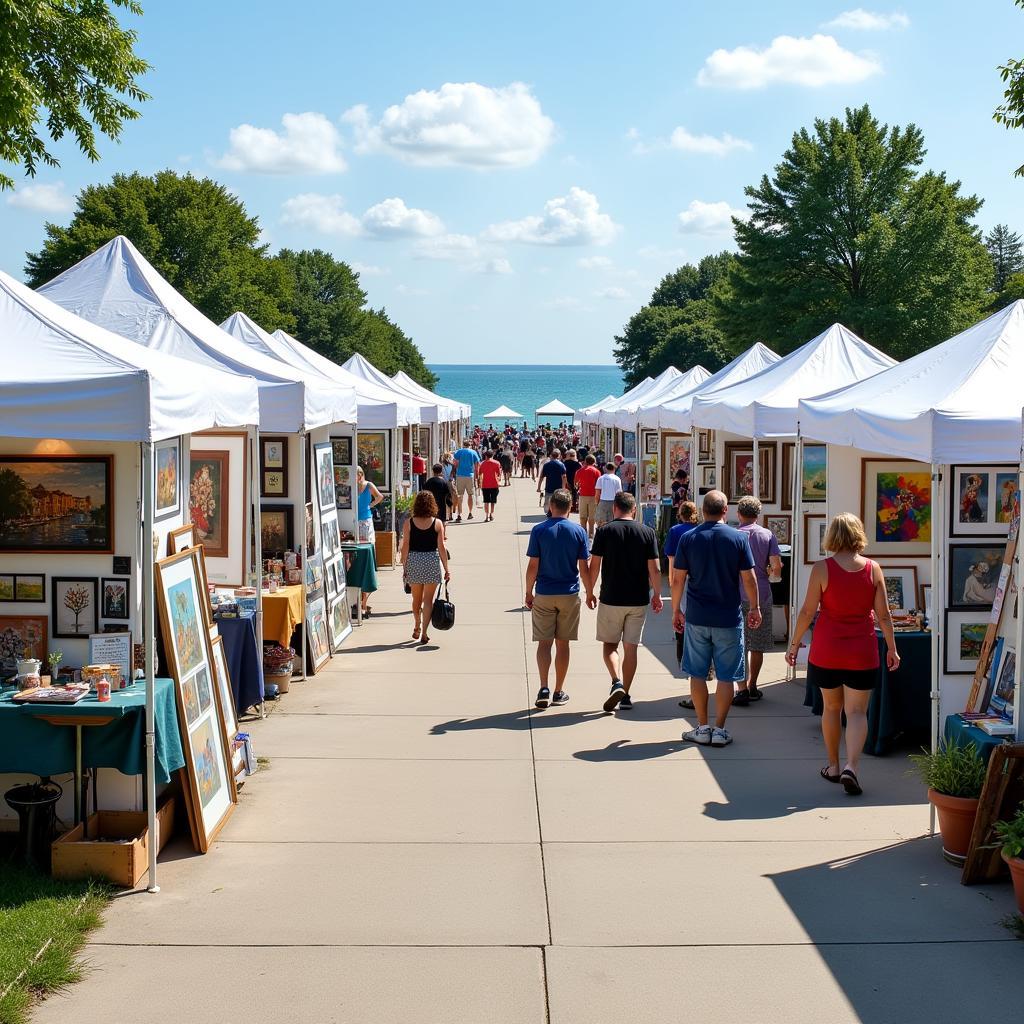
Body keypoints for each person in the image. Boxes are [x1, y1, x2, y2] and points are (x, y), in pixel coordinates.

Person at [786, 513, 899, 796]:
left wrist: (794, 644)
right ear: (858, 534)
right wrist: (893, 648)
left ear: (832, 536)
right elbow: (884, 616)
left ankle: (834, 766)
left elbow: (808, 611)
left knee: (831, 708)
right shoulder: (873, 569)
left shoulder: (822, 568)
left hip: (827, 650)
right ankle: (852, 766)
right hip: (862, 650)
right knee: (858, 711)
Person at [671, 491, 761, 748]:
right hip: (728, 617)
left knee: (697, 674)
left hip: (698, 616)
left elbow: (678, 579)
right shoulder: (738, 538)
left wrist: (676, 609)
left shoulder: (688, 538)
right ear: (725, 511)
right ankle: (719, 729)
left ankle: (701, 726)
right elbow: (749, 579)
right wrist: (754, 608)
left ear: (703, 510)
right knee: (726, 676)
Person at [587, 491, 663, 711]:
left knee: (610, 645)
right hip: (637, 598)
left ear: (614, 509)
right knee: (631, 648)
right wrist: (657, 594)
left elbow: (595, 565)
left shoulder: (604, 531)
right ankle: (626, 695)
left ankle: (616, 681)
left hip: (611, 597)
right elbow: (655, 569)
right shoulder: (647, 532)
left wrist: (590, 590)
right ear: (634, 509)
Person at [525, 489, 591, 708]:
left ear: (551, 506)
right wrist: (590, 591)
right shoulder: (579, 532)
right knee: (563, 645)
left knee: (544, 643)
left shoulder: (539, 530)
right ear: (571, 507)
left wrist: (528, 591)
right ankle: (558, 690)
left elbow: (532, 565)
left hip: (544, 592)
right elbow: (584, 567)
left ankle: (543, 686)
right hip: (569, 592)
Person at [732, 496, 783, 706]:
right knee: (757, 643)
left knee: (738, 642)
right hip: (762, 593)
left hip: (737, 593)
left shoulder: (734, 535)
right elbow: (776, 566)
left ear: (739, 514)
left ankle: (741, 687)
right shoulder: (767, 534)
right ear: (758, 514)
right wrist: (771, 575)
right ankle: (753, 685)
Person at [400, 491, 450, 646]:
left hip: (414, 560)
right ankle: (425, 633)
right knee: (428, 600)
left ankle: (416, 625)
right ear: (432, 505)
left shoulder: (409, 522)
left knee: (416, 599)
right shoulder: (437, 523)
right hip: (431, 561)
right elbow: (441, 548)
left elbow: (405, 546)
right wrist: (447, 569)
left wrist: (404, 565)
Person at [664, 500, 699, 678]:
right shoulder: (700, 529)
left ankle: (680, 634)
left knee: (680, 610)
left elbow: (671, 558)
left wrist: (671, 580)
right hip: (696, 576)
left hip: (680, 575)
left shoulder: (675, 531)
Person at [452, 439, 480, 522]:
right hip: (470, 476)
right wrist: (476, 476)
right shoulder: (473, 452)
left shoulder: (458, 452)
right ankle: (470, 513)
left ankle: (459, 514)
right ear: (470, 445)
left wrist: (455, 470)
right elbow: (476, 465)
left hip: (460, 475)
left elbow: (455, 464)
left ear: (463, 444)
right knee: (470, 495)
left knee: (460, 495)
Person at [575, 454, 601, 539]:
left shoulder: (580, 471)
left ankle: (583, 533)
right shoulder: (597, 471)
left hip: (583, 495)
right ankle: (591, 534)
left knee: (583, 516)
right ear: (594, 462)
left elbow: (576, 484)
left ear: (585, 461)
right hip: (593, 495)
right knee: (592, 517)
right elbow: (599, 485)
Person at [537, 447, 568, 514]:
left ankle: (548, 512)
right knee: (558, 501)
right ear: (558, 456)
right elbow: (564, 477)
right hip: (558, 487)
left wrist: (539, 487)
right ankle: (555, 512)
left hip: (549, 487)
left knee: (548, 501)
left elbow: (541, 477)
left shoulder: (546, 465)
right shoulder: (561, 465)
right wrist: (564, 487)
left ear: (551, 456)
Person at [477, 449, 503, 523]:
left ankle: (486, 516)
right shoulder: (496, 463)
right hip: (494, 484)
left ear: (485, 455)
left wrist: (479, 483)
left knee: (486, 501)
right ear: (493, 455)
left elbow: (480, 474)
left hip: (485, 485)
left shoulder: (482, 464)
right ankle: (491, 514)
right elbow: (498, 473)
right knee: (493, 501)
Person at [594, 462, 623, 527]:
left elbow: (597, 492)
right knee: (612, 521)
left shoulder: (601, 478)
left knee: (601, 522)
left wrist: (596, 503)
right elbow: (619, 493)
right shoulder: (617, 479)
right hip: (613, 502)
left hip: (602, 501)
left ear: (606, 468)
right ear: (614, 469)